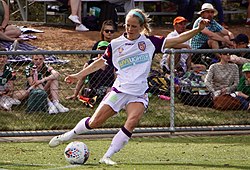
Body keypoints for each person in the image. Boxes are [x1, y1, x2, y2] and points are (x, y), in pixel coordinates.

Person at [49, 8, 209, 165]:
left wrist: (198, 29)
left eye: (134, 26)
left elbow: (178, 40)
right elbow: (100, 62)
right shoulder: (115, 44)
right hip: (119, 91)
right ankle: (68, 135)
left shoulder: (150, 42)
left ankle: (107, 156)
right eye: (127, 25)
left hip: (138, 93)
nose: (130, 29)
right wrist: (79, 75)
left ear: (141, 27)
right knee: (94, 123)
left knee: (132, 121)